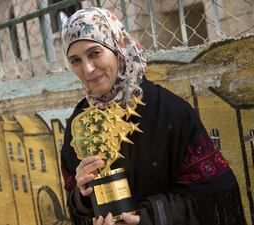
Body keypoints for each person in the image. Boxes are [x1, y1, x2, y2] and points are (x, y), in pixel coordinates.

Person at [60, 7, 246, 225]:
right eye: (75, 60)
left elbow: (214, 193)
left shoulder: (170, 112)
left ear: (118, 49)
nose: (88, 69)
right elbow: (76, 205)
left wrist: (148, 218)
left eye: (94, 53)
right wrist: (82, 195)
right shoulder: (79, 124)